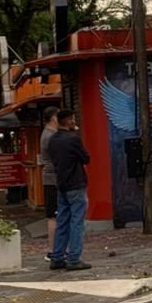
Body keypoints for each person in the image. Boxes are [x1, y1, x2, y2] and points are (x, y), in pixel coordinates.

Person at [46, 109, 92, 271]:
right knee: (77, 222)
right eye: (73, 119)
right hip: (75, 183)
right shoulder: (73, 139)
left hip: (61, 184)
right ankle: (74, 258)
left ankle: (57, 257)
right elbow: (86, 158)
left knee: (62, 221)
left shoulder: (52, 140)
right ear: (70, 121)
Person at [39, 107, 60, 263]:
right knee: (53, 215)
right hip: (53, 178)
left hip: (51, 178)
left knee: (54, 214)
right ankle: (53, 249)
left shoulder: (47, 135)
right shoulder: (51, 137)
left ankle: (55, 248)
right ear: (54, 118)